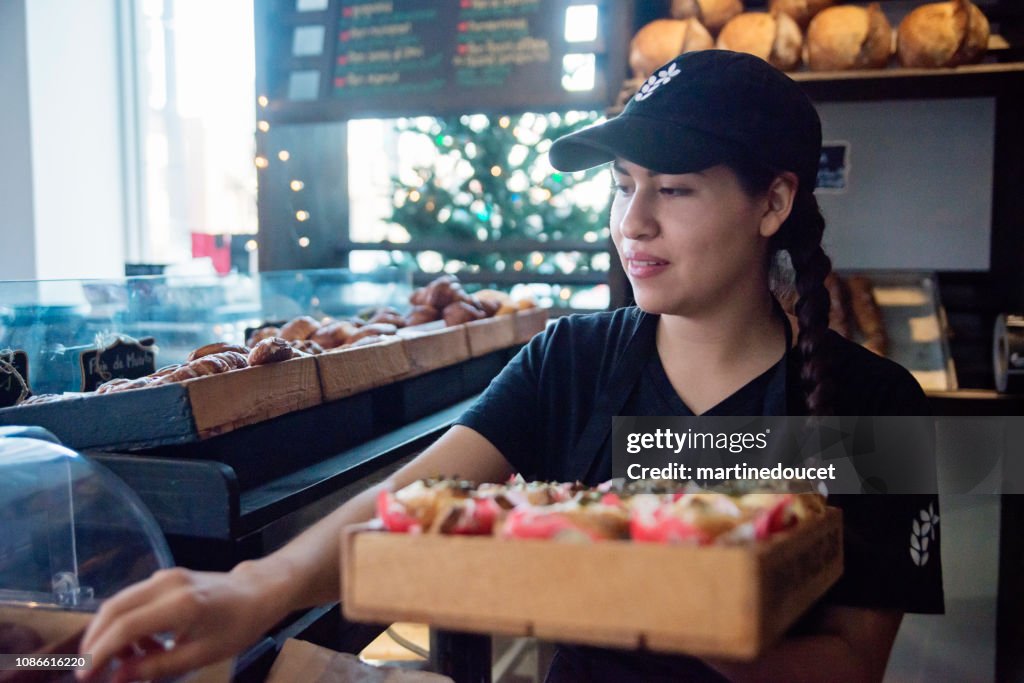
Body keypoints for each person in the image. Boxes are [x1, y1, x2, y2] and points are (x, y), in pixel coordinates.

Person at [80, 50, 943, 683]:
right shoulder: (572, 359)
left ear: (775, 202)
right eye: (621, 183)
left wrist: (687, 607)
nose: (632, 221)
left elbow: (852, 664)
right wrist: (254, 591)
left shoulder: (876, 407)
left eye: (673, 189)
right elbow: (404, 504)